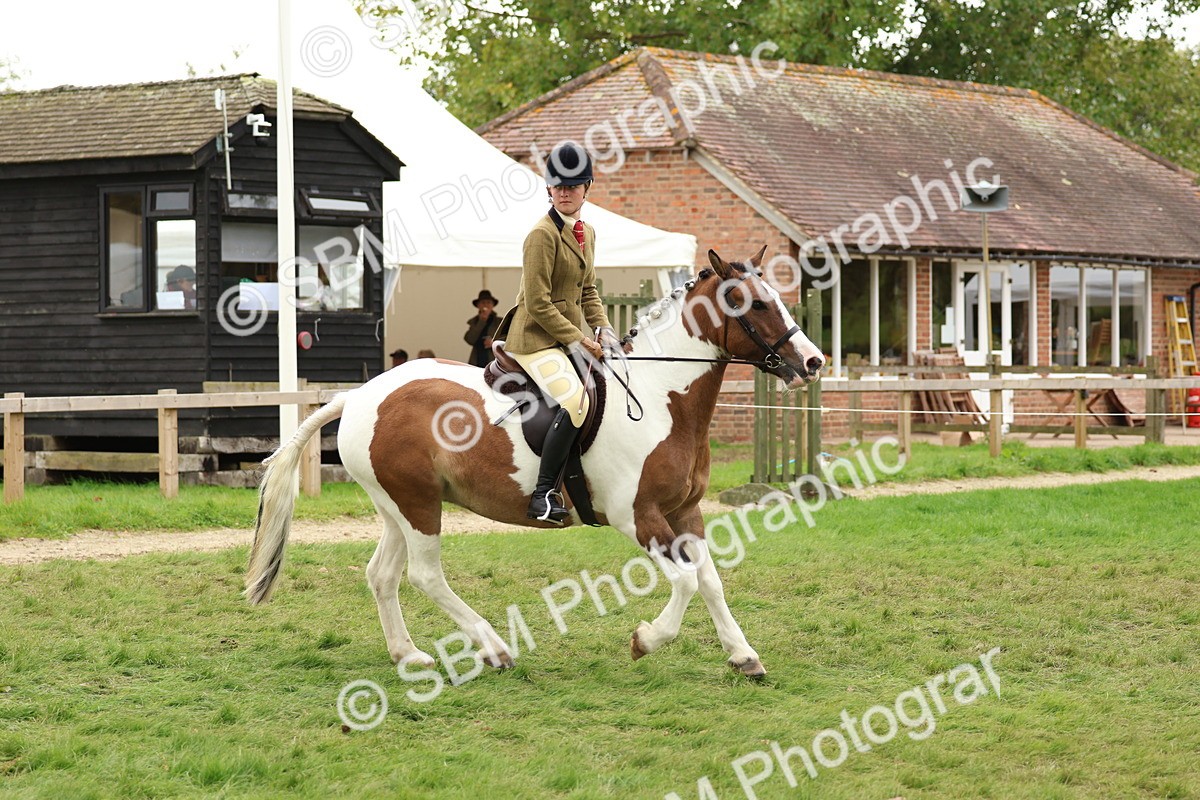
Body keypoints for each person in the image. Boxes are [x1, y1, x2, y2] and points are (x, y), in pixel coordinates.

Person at [494, 141, 618, 524]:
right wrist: (579, 340)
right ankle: (543, 494)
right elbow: (538, 303)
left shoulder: (588, 233)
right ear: (549, 188)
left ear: (587, 188)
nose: (565, 192)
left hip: (562, 338)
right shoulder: (541, 235)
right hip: (534, 338)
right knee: (577, 401)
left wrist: (604, 329)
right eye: (557, 185)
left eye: (573, 185)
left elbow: (588, 290)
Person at [464, 289, 502, 367]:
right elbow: (470, 339)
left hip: (495, 363)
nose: (486, 305)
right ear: (478, 305)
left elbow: (507, 340)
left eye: (488, 302)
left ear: (492, 305)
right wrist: (481, 321)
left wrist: (493, 343)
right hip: (477, 362)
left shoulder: (500, 322)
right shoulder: (474, 322)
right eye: (483, 302)